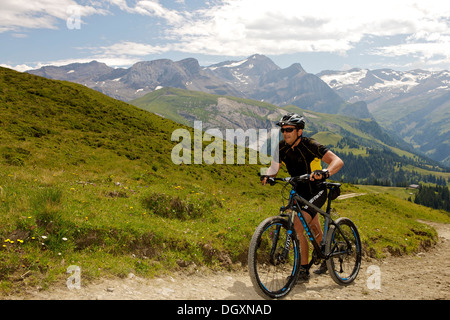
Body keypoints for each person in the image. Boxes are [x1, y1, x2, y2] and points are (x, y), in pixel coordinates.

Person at [261, 113, 344, 281]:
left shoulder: (310, 145)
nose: (285, 133)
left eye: (289, 129)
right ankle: (325, 254)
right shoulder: (281, 147)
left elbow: (337, 161)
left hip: (316, 190)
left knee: (298, 226)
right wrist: (268, 175)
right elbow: (273, 168)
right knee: (313, 227)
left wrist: (325, 172)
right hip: (298, 190)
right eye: (283, 130)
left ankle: (303, 269)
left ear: (299, 131)